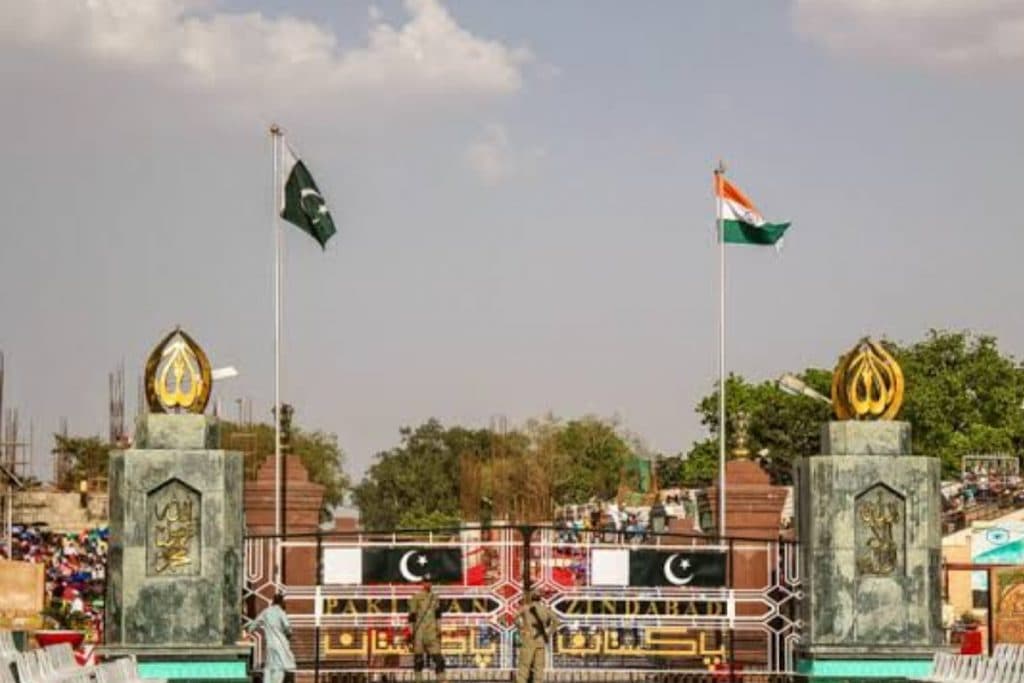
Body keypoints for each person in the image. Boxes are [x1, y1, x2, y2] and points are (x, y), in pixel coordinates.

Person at [246, 593, 296, 683]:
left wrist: (248, 633)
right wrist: (289, 635)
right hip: (281, 644)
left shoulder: (266, 612)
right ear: (281, 602)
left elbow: (254, 624)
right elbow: (288, 628)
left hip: (270, 644)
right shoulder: (280, 612)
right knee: (280, 667)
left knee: (269, 666)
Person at [515, 589, 558, 683]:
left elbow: (515, 617)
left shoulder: (525, 608)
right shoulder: (545, 609)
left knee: (524, 666)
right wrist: (548, 633)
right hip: (541, 639)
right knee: (539, 666)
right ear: (540, 599)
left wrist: (521, 628)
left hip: (528, 638)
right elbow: (556, 621)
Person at [408, 580, 446, 683]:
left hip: (432, 632)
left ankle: (441, 680)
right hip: (419, 632)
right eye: (426, 582)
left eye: (430, 582)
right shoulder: (416, 597)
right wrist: (411, 632)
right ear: (423, 583)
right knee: (418, 660)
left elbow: (438, 615)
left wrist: (439, 629)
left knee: (439, 659)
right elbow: (412, 616)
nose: (428, 584)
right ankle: (418, 680)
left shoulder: (435, 598)